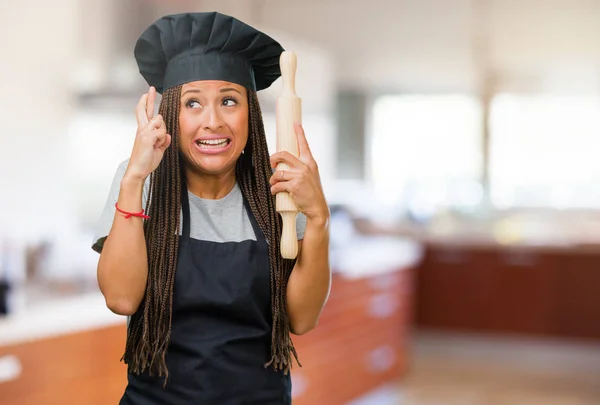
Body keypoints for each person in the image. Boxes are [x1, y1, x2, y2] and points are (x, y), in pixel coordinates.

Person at [92, 11, 331, 404]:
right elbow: (121, 299)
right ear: (171, 113)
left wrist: (319, 218)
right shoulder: (142, 181)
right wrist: (134, 178)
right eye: (193, 104)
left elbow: (302, 320)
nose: (213, 121)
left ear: (249, 114)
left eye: (228, 100)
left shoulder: (282, 190)